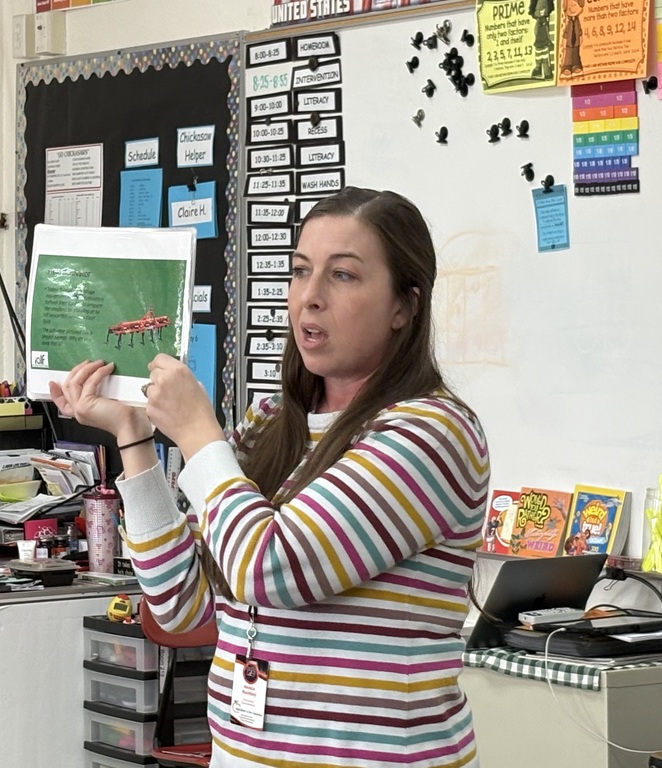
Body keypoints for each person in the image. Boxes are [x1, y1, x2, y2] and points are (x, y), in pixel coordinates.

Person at [50, 186, 491, 767]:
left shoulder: (432, 433)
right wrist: (133, 436)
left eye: (344, 277)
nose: (309, 298)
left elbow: (267, 568)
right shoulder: (271, 425)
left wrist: (200, 437)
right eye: (300, 272)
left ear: (404, 306)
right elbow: (182, 605)